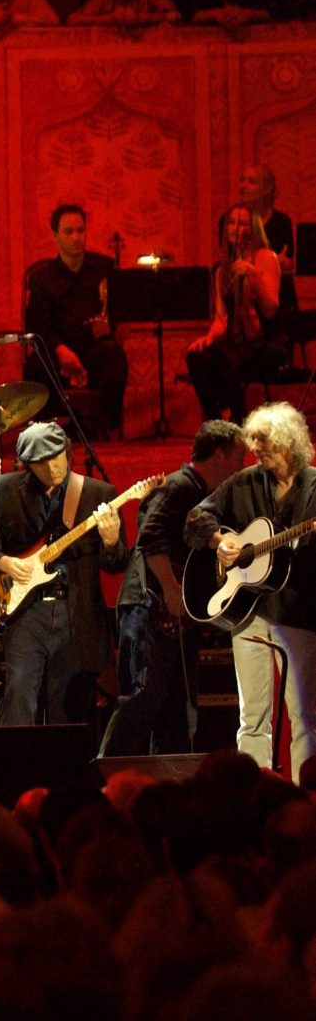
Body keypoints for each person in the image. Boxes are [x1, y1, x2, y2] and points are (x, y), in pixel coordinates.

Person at [185, 402, 316, 777]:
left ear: (288, 443)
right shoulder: (245, 481)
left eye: (264, 442)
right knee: (251, 715)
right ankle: (254, 792)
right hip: (248, 613)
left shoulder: (314, 487)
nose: (255, 449)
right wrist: (217, 541)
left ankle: (305, 793)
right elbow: (196, 518)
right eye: (254, 441)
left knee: (304, 713)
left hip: (298, 612)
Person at [101, 420, 246, 756]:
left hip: (175, 618)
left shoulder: (202, 494)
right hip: (149, 609)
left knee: (177, 712)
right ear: (221, 454)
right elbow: (150, 537)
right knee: (141, 700)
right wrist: (170, 587)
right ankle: (108, 776)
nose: (242, 466)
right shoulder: (178, 487)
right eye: (239, 458)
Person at [0, 422, 127, 728]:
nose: (53, 466)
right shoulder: (5, 489)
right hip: (25, 611)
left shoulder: (98, 493)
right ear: (26, 465)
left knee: (69, 706)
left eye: (57, 456)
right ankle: (7, 769)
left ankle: (67, 775)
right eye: (42, 462)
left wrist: (112, 541)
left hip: (75, 612)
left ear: (68, 452)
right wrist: (3, 562)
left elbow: (117, 564)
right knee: (19, 694)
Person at [23, 204, 129, 437]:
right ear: (55, 236)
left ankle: (103, 429)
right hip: (58, 349)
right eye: (69, 232)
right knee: (35, 367)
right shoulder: (43, 278)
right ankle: (57, 427)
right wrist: (61, 351)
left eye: (80, 231)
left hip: (94, 347)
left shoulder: (104, 268)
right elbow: (36, 324)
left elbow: (116, 313)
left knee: (115, 358)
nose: (76, 238)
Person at [186, 203, 283, 421]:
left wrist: (254, 276)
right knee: (197, 356)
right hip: (236, 340)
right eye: (231, 222)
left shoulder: (266, 257)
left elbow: (270, 310)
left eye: (243, 223)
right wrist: (209, 337)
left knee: (225, 356)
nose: (236, 228)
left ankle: (239, 416)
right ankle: (215, 420)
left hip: (265, 342)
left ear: (254, 228)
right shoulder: (222, 269)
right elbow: (222, 317)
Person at [223, 164, 296, 318]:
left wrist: (273, 264)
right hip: (242, 297)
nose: (244, 185)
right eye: (242, 180)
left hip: (277, 298)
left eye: (251, 181)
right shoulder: (226, 220)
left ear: (267, 189)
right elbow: (229, 259)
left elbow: (288, 263)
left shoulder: (281, 221)